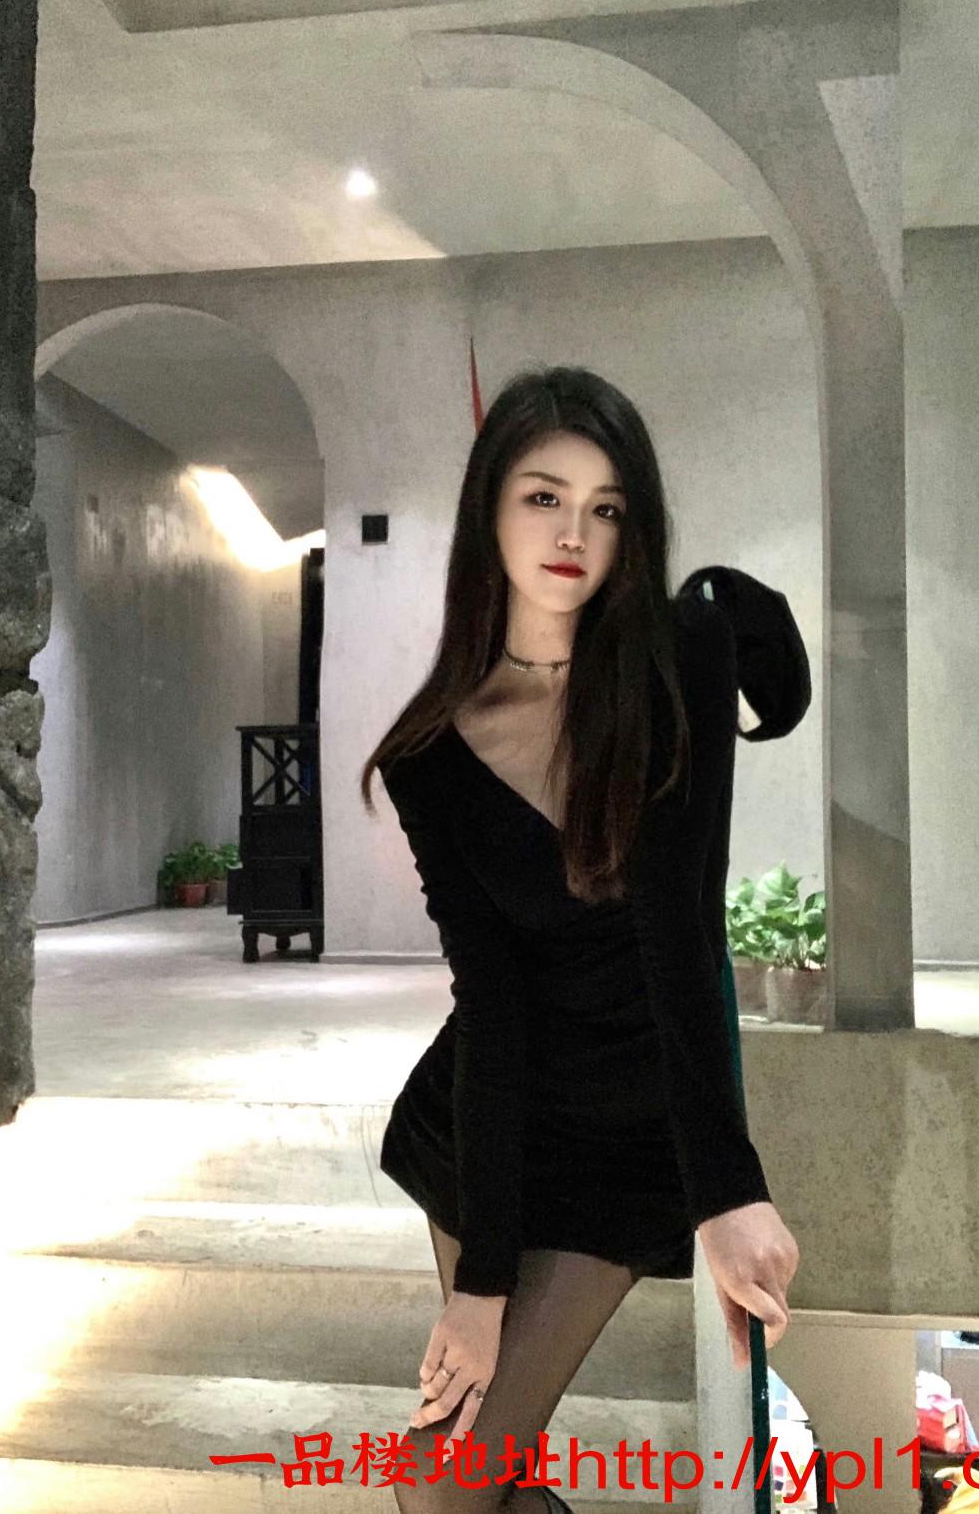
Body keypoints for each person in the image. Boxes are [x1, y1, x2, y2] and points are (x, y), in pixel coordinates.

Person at [359, 365, 801, 1514]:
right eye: (543, 497)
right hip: (483, 1133)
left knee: (441, 1488)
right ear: (489, 512)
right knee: (479, 1481)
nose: (572, 533)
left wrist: (727, 1185)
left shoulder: (672, 667)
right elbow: (493, 1004)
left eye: (606, 507)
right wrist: (481, 1283)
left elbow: (681, 932)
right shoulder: (431, 756)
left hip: (627, 1145)